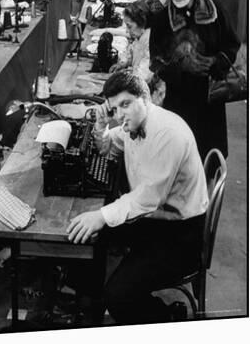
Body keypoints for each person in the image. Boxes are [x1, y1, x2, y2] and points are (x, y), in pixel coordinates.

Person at [66, 70, 208, 325]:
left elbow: (147, 199)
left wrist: (101, 215)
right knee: (85, 237)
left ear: (146, 98)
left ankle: (166, 317)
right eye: (114, 109)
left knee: (118, 295)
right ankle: (91, 303)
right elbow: (109, 146)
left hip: (181, 235)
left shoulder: (167, 133)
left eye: (126, 104)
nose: (120, 114)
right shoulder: (133, 123)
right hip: (157, 219)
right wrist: (101, 128)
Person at [149, 0, 240, 159]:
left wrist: (218, 64)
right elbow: (155, 59)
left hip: (210, 93)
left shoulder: (215, 10)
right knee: (179, 151)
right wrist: (178, 69)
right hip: (179, 96)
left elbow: (232, 44)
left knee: (208, 151)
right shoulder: (162, 19)